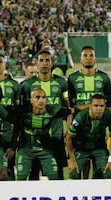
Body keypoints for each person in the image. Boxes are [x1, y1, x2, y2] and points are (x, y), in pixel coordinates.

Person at [21, 49, 71, 180]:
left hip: (55, 136)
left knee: (57, 174)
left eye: (47, 60)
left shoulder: (61, 83)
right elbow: (24, 112)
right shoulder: (28, 85)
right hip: (33, 137)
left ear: (52, 63)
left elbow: (68, 108)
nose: (44, 63)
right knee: (33, 173)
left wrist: (69, 131)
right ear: (37, 63)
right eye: (41, 60)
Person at [67, 45, 111, 178]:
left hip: (98, 126)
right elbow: (71, 105)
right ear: (80, 59)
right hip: (80, 127)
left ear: (95, 58)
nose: (88, 59)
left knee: (99, 168)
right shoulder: (73, 78)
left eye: (91, 55)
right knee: (79, 169)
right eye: (85, 56)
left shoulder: (104, 78)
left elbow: (108, 104)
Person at [13, 88, 73, 180]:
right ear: (31, 100)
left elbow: (71, 110)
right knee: (21, 177)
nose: (41, 100)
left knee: (54, 176)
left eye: (44, 97)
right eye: (37, 97)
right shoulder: (22, 111)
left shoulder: (52, 111)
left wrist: (69, 128)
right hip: (26, 150)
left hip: (45, 150)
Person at [65, 94, 111, 179]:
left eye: (102, 106)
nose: (99, 109)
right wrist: (72, 161)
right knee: (74, 174)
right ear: (90, 106)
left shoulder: (109, 115)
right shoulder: (81, 117)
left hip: (99, 147)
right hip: (81, 148)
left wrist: (110, 160)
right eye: (96, 105)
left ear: (105, 106)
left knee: (108, 174)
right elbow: (68, 137)